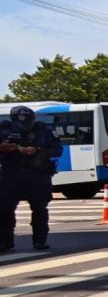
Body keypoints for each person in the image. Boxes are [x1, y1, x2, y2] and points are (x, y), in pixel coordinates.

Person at [0, 105, 63, 251]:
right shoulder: (4, 129)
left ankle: (40, 240)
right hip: (11, 172)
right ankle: (5, 241)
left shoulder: (44, 129)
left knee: (39, 208)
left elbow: (58, 150)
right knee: (4, 208)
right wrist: (2, 147)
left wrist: (38, 150)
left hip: (37, 173)